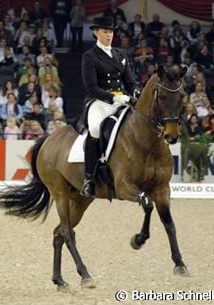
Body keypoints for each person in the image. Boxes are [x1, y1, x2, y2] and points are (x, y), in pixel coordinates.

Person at [80, 16, 140, 198]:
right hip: (100, 102)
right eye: (105, 31)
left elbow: (130, 82)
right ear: (96, 32)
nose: (109, 35)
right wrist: (114, 98)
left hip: (122, 100)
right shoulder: (89, 56)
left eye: (111, 31)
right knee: (96, 129)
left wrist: (136, 93)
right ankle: (89, 179)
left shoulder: (120, 55)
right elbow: (91, 87)